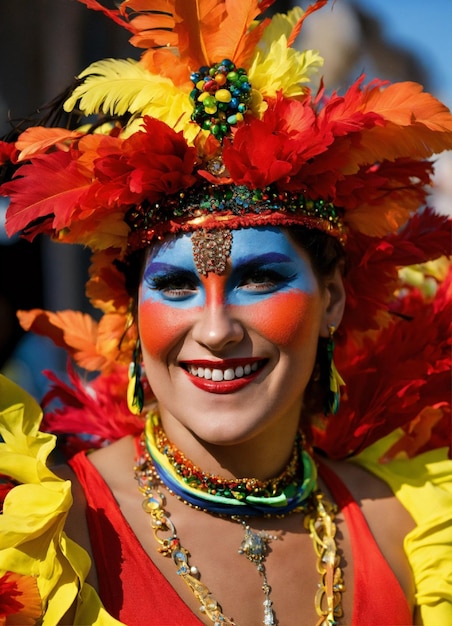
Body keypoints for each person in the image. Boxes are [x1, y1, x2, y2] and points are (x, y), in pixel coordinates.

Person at [0, 1, 451, 624]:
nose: (215, 330)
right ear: (131, 309)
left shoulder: (412, 528)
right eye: (177, 286)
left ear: (334, 300)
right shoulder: (45, 535)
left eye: (261, 279)